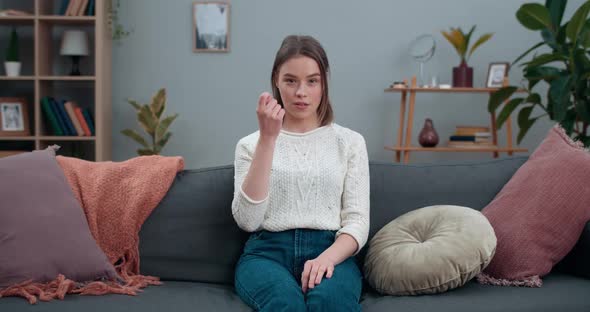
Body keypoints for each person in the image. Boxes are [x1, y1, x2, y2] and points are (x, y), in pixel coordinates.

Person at [232, 35, 370, 311]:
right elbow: (248, 220)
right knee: (286, 304)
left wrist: (327, 259)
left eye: (312, 81)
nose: (301, 92)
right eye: (291, 80)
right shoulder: (250, 145)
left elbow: (357, 221)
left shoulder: (350, 142)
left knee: (331, 303)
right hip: (266, 254)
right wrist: (267, 140)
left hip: (331, 250)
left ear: (324, 82)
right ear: (276, 81)